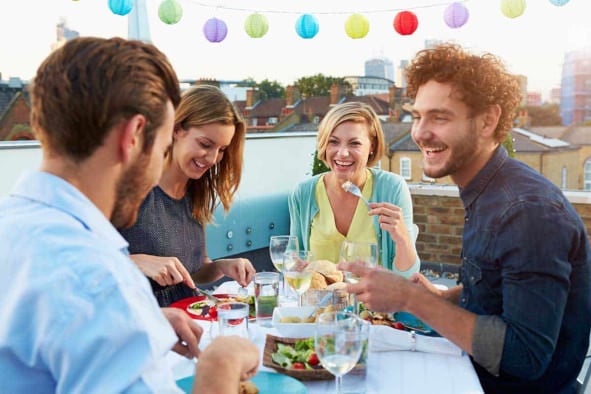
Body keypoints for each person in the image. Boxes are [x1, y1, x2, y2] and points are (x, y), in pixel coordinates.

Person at [0, 36, 258, 393]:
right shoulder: (98, 277)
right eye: (165, 141)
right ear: (134, 136)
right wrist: (221, 363)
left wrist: (145, 322)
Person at [340, 43, 591, 393]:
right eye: (417, 116)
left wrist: (412, 300)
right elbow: (499, 289)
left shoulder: (527, 211)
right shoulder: (487, 190)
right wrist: (444, 299)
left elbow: (526, 356)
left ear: (488, 120)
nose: (420, 133)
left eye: (439, 117)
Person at [119, 84, 256, 307]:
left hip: (189, 320)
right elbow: (85, 262)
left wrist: (222, 266)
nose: (212, 159)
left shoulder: (196, 193)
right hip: (142, 322)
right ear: (176, 129)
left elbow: (196, 272)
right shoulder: (131, 186)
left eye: (221, 150)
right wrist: (136, 261)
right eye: (205, 144)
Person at [289, 101, 419, 276]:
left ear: (371, 146)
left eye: (354, 143)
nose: (342, 153)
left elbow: (408, 277)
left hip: (374, 303)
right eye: (333, 142)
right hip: (319, 302)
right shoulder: (304, 193)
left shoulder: (392, 188)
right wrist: (294, 266)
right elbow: (293, 255)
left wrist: (402, 238)